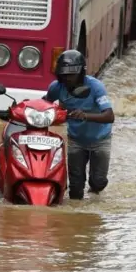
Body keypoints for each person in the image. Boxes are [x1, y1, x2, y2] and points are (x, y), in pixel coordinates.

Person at [44, 49, 115, 200]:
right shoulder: (56, 87)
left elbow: (109, 116)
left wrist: (85, 116)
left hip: (100, 139)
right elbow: (45, 104)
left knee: (98, 182)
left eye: (72, 74)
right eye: (64, 75)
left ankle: (94, 195)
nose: (68, 78)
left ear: (81, 73)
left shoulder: (96, 87)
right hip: (76, 140)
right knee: (75, 188)